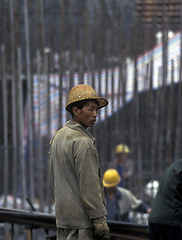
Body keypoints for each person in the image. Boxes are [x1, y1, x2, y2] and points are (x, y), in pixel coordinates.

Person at [49, 84, 110, 240]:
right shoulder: (83, 142)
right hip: (81, 223)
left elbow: (54, 178)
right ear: (76, 110)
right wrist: (99, 218)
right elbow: (89, 184)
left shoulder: (58, 137)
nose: (95, 114)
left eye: (97, 110)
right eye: (90, 109)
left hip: (63, 220)